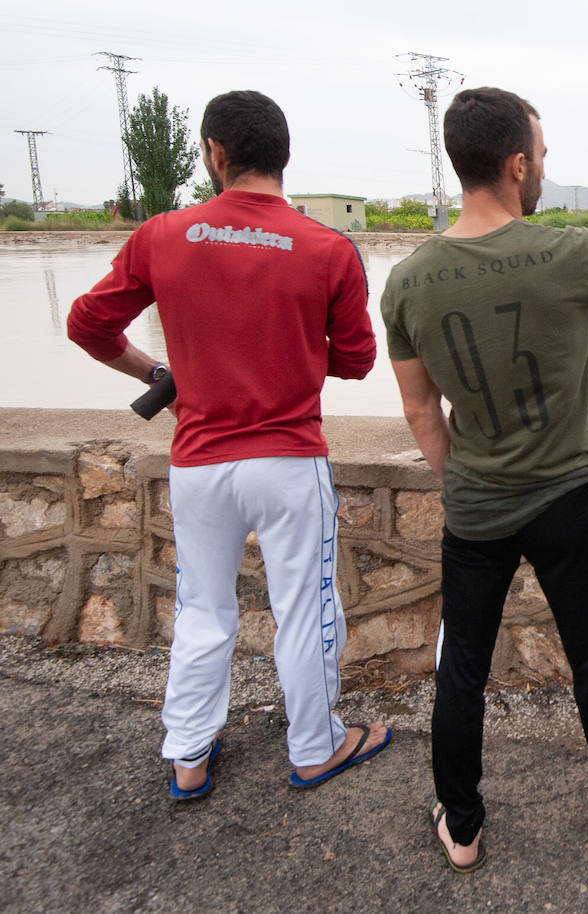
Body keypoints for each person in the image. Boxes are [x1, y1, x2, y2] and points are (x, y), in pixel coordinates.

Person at [381, 86, 588, 872]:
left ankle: (460, 827)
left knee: (460, 669)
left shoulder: (407, 282)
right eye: (542, 157)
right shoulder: (566, 252)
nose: (544, 171)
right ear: (517, 164)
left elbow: (421, 412)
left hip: (474, 510)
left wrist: (467, 483)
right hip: (568, 500)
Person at [67, 90, 391, 801]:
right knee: (304, 609)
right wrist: (293, 347)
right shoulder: (327, 248)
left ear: (216, 153)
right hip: (288, 461)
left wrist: (159, 372)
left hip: (200, 465)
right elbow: (359, 359)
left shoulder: (160, 235)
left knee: (202, 609)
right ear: (284, 157)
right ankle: (315, 748)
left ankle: (187, 753)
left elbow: (87, 325)